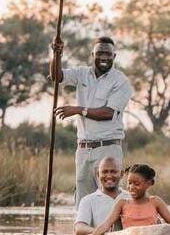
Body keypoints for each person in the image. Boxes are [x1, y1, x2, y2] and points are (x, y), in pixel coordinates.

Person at [49, 35, 133, 207]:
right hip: (83, 149)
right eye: (100, 53)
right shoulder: (82, 74)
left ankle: (113, 233)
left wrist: (78, 110)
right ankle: (84, 232)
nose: (104, 57)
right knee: (83, 199)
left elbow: (108, 113)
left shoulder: (121, 81)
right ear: (93, 54)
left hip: (108, 147)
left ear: (114, 56)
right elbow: (56, 76)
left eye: (108, 54)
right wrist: (57, 55)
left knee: (110, 197)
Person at [76, 163, 170, 235]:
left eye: (137, 184)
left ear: (149, 184)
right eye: (129, 183)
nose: (131, 187)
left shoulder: (156, 201)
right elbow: (105, 225)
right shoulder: (122, 203)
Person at [74, 156, 130, 235]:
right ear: (98, 174)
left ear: (121, 174)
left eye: (113, 172)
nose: (109, 175)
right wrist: (102, 232)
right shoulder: (88, 200)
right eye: (105, 172)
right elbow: (79, 228)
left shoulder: (130, 197)